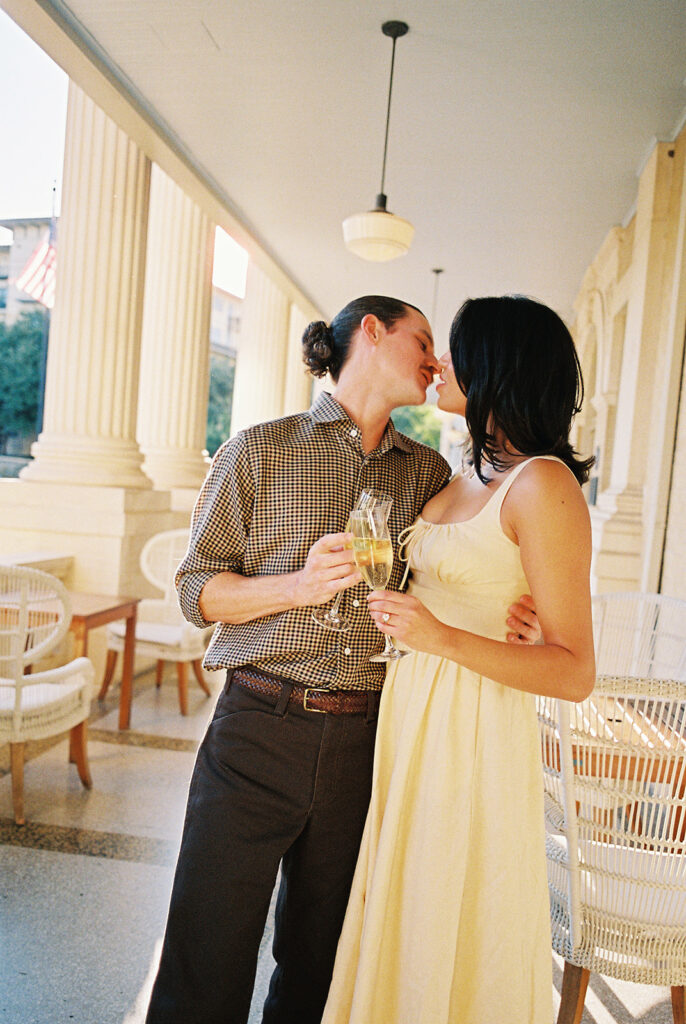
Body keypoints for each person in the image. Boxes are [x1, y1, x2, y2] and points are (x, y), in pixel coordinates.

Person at [145, 295, 540, 1024]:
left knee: (323, 960)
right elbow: (196, 589)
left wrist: (522, 610)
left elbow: (464, 567)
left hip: (370, 739)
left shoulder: (428, 476)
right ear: (372, 331)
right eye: (423, 339)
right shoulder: (260, 449)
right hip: (257, 729)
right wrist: (295, 586)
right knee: (208, 946)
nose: (434, 359)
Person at [320, 295, 596, 1024]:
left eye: (457, 349)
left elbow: (575, 671)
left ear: (497, 366)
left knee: (449, 905)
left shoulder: (544, 484)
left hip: (471, 732)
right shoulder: (458, 477)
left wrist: (443, 637)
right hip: (410, 720)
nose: (439, 362)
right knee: (404, 901)